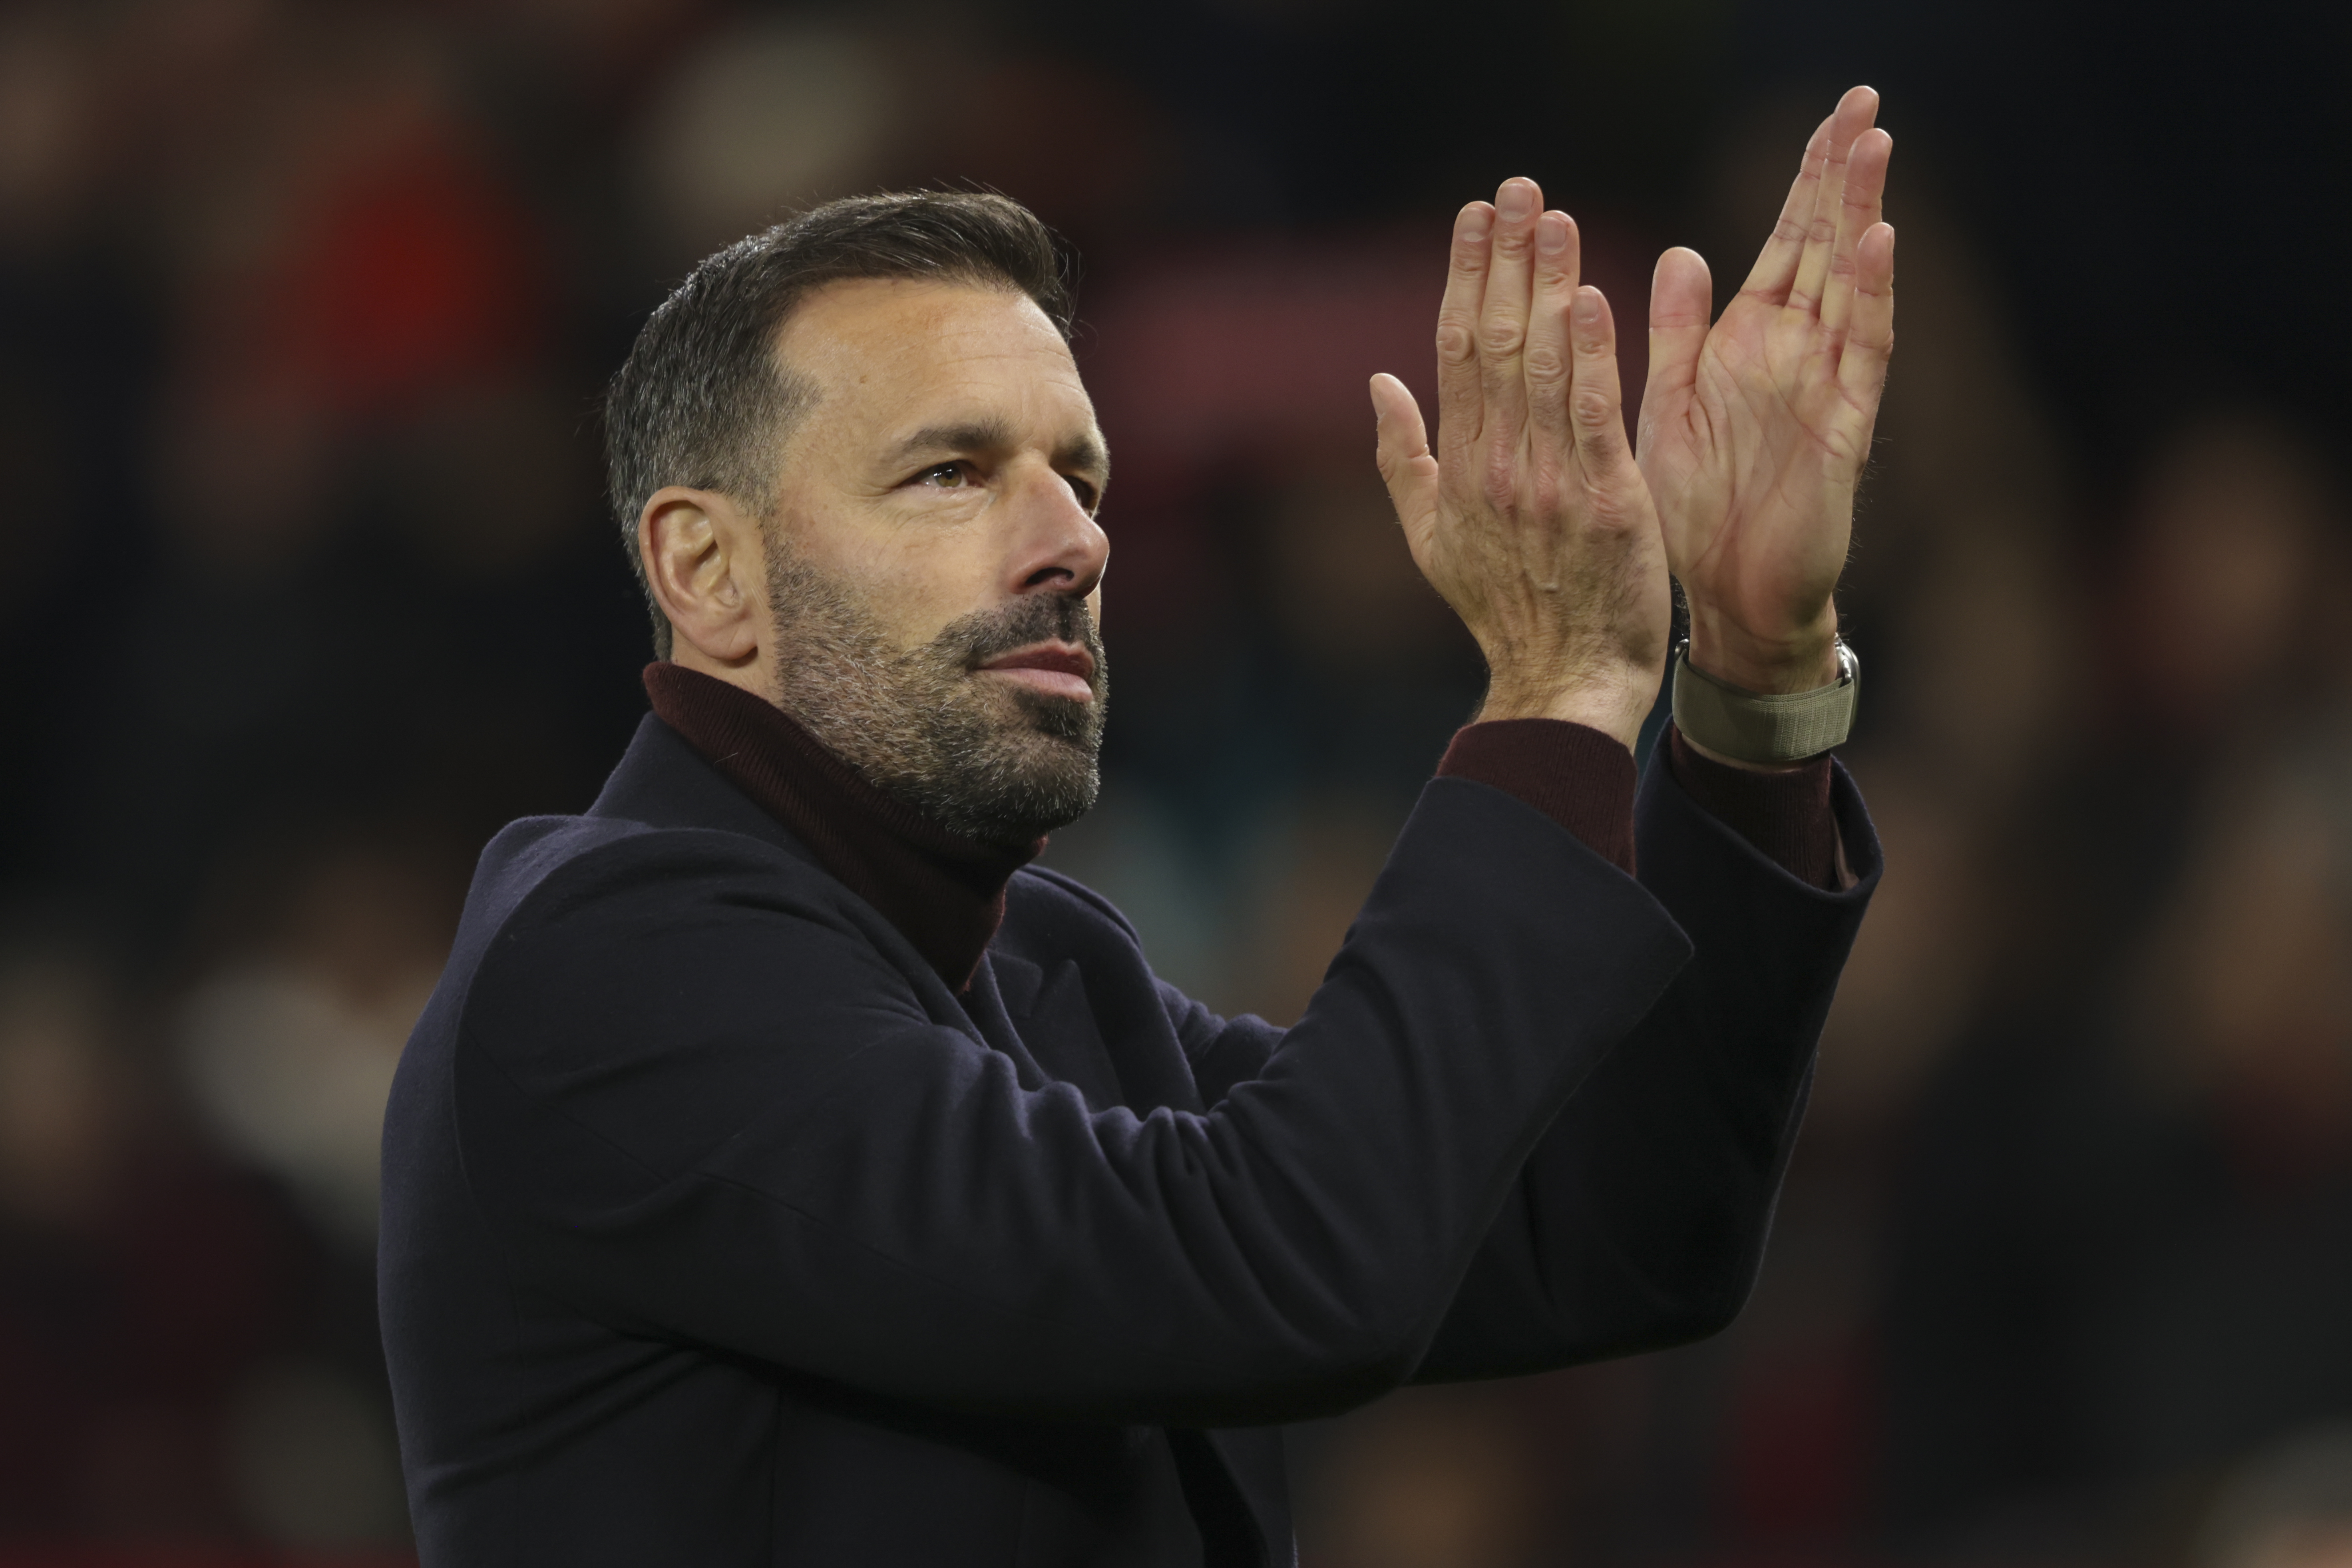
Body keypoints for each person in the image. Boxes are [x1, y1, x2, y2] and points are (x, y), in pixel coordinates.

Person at [379, 87, 1896, 1566]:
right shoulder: (614, 964)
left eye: (1081, 476)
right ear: (706, 570)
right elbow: (1279, 1266)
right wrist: (1558, 687)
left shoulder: (1044, 970)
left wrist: (1757, 676)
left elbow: (1615, 1231)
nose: (1075, 539)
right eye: (953, 472)